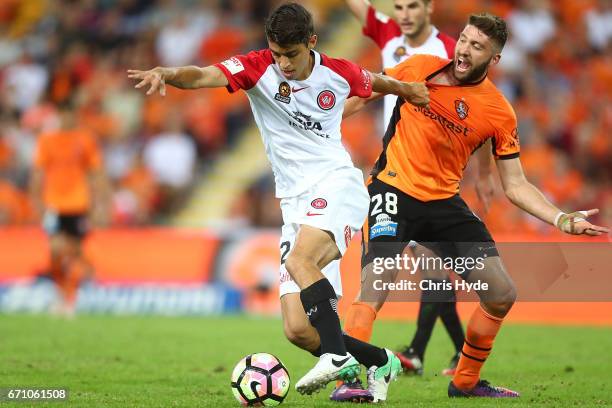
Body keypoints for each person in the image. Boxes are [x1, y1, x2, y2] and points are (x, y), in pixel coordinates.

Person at [128, 3, 431, 401]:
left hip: (336, 184)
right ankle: (380, 361)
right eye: (277, 54)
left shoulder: (337, 72)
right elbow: (204, 75)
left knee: (299, 263)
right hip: (295, 203)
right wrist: (169, 73)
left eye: (291, 54)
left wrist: (409, 88)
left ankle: (339, 360)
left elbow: (375, 80)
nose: (283, 64)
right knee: (299, 330)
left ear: (311, 42)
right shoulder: (256, 67)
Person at [345, 12, 609, 398]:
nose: (464, 50)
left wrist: (561, 218)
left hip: (443, 206)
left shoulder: (499, 112)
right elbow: (364, 94)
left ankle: (465, 382)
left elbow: (515, 184)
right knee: (377, 283)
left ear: (494, 59)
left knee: (501, 293)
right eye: (464, 40)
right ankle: (349, 381)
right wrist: (322, 118)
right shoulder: (420, 67)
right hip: (393, 191)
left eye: (477, 46)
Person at [336, 2, 493, 398]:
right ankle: (429, 353)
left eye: (412, 7)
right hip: (395, 162)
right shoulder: (389, 34)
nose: (403, 15)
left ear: (429, 8)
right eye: (398, 7)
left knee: (436, 274)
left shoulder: (448, 52)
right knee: (421, 275)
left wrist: (486, 174)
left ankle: (426, 353)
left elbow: (480, 114)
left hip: (434, 174)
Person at [30, 103, 110, 317]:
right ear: (59, 114)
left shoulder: (85, 140)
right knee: (55, 251)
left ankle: (70, 299)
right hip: (54, 205)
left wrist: (100, 204)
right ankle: (61, 293)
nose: (67, 118)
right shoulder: (47, 141)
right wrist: (37, 204)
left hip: (78, 204)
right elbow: (38, 174)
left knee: (75, 252)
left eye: (70, 113)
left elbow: (95, 173)